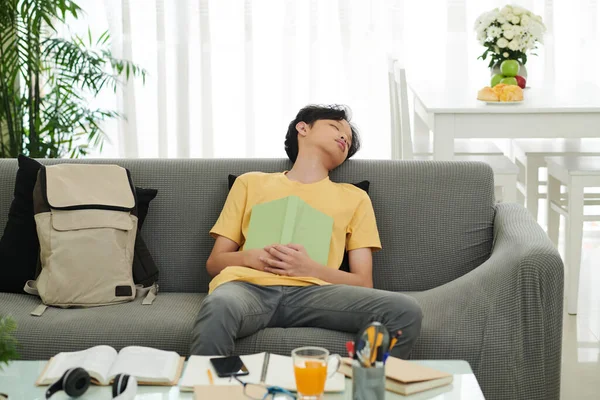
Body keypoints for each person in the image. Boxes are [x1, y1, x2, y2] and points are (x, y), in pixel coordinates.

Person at [190, 104, 423, 359]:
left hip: (317, 293)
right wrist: (252, 257)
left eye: (348, 138)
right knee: (220, 304)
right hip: (248, 289)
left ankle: (364, 387)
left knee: (405, 310)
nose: (344, 136)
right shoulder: (250, 182)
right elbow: (215, 263)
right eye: (335, 127)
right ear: (303, 128)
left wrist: (310, 269)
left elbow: (363, 282)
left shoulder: (355, 198)